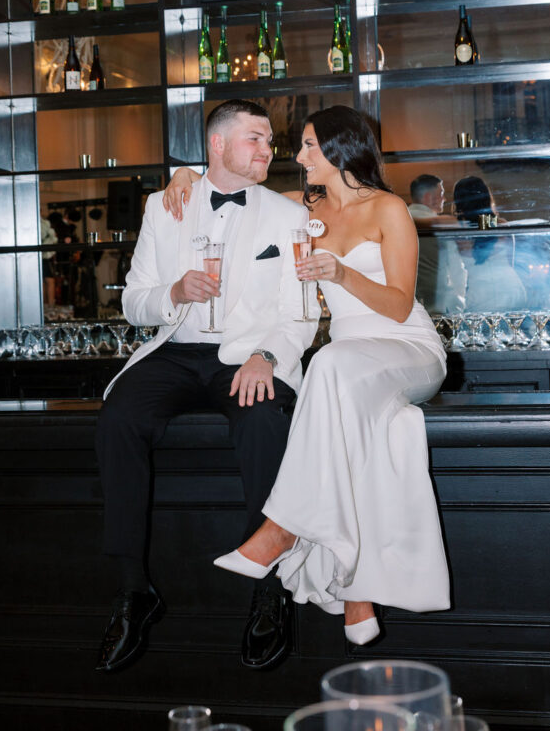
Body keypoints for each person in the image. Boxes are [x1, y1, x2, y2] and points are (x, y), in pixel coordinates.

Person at [165, 106, 450, 645]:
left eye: (310, 146)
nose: (297, 157)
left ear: (342, 150)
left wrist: (341, 272)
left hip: (405, 347)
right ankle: (355, 590)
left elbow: (398, 305)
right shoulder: (303, 207)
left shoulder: (388, 208)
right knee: (338, 391)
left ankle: (282, 529)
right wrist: (187, 174)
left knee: (329, 366)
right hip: (348, 362)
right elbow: (224, 188)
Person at [94, 100, 318, 675]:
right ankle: (132, 589)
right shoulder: (164, 205)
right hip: (173, 350)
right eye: (255, 139)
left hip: (246, 356)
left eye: (270, 141)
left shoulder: (289, 214)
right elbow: (133, 301)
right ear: (217, 145)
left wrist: (268, 357)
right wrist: (173, 291)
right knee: (118, 414)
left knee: (264, 416)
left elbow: (301, 313)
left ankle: (269, 586)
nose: (269, 150)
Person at [452, 175, 528, 312]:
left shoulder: (457, 231)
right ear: (486, 196)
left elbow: (455, 272)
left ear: (459, 201)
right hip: (511, 290)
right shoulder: (500, 224)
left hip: (479, 295)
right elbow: (512, 262)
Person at [408, 174, 466, 314]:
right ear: (428, 197)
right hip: (440, 304)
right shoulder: (443, 225)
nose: (444, 199)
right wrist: (462, 300)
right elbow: (456, 269)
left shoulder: (400, 220)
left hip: (409, 304)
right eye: (441, 193)